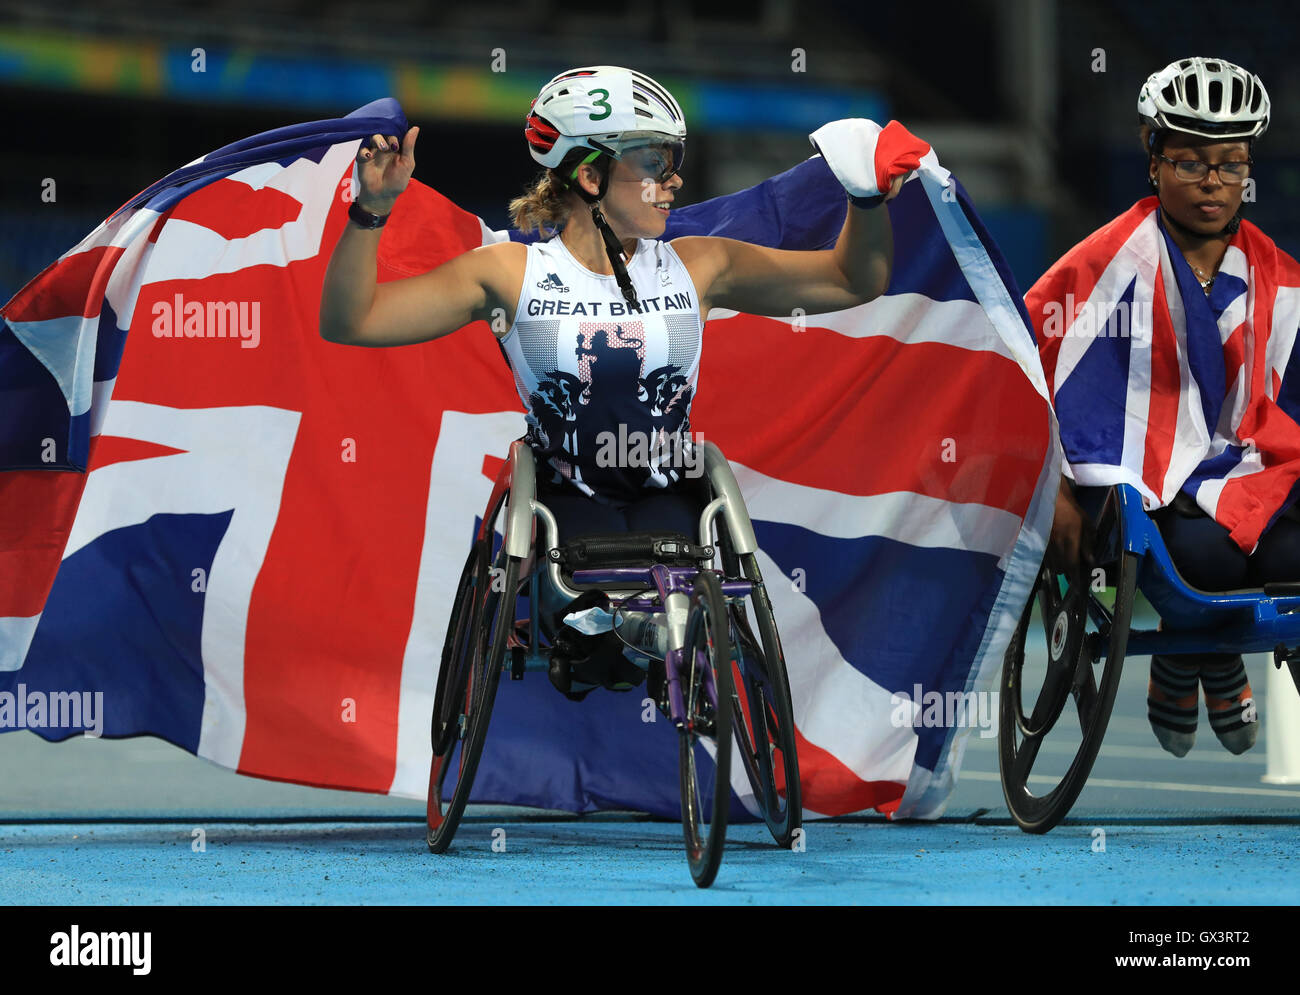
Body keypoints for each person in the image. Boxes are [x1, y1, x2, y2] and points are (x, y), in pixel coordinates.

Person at [320, 66, 927, 698]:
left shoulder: (702, 265)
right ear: (590, 176)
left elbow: (851, 280)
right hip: (565, 501)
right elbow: (352, 321)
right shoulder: (507, 273)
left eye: (673, 164)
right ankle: (613, 640)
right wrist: (371, 212)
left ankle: (666, 655)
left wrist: (864, 199)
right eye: (654, 164)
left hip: (669, 491)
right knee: (605, 636)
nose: (673, 182)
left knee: (672, 609)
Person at [1037, 57, 1300, 756]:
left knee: (1293, 553)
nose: (1213, 182)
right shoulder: (1105, 262)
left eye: (1231, 164)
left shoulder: (1280, 275)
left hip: (1254, 474)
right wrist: (1059, 486)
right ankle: (1196, 655)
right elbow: (1038, 364)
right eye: (1190, 162)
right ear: (1153, 161)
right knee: (1205, 567)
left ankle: (1206, 655)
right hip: (1157, 489)